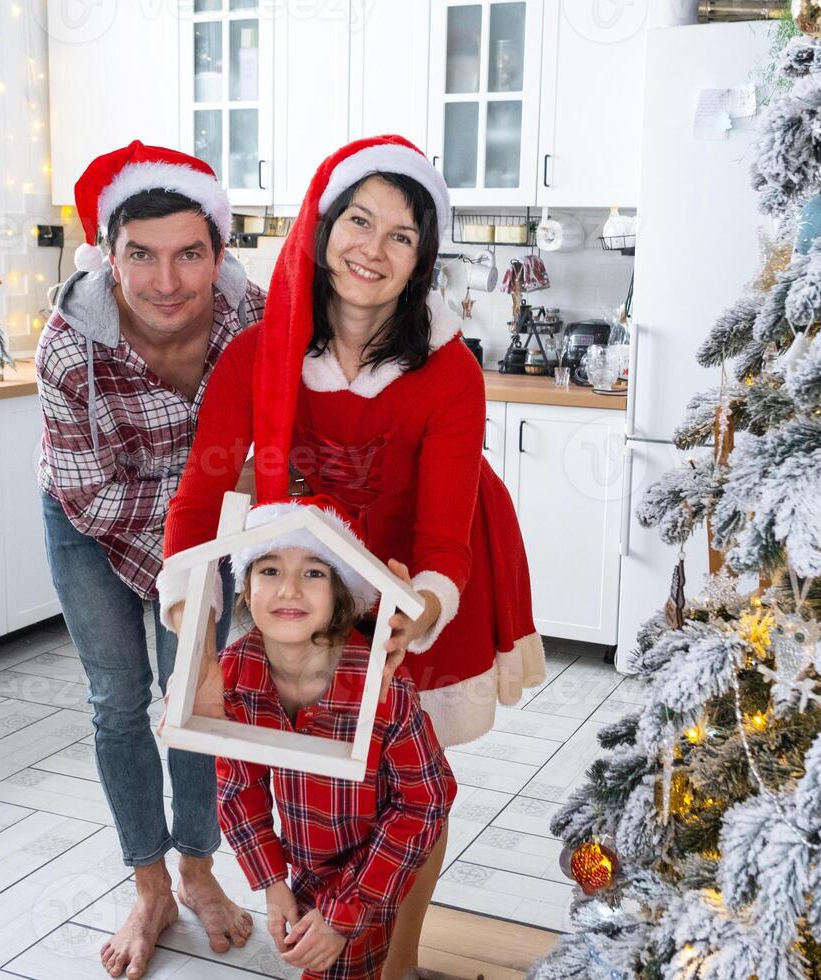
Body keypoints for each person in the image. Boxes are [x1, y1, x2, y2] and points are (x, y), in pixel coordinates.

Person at [159, 135, 544, 979]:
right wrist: (196, 636)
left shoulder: (449, 373)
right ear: (325, 227)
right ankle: (330, 928)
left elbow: (443, 537)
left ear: (421, 259)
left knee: (413, 784)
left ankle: (397, 965)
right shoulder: (253, 355)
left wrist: (423, 608)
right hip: (306, 588)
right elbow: (201, 500)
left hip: (415, 583)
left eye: (401, 235)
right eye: (359, 220)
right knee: (317, 778)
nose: (373, 247)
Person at [36, 141, 266, 980]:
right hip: (88, 521)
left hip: (204, 529)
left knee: (195, 700)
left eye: (188, 255)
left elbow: (268, 453)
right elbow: (93, 497)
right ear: (109, 255)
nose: (167, 282)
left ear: (218, 253)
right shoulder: (67, 347)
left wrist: (213, 532)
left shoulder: (256, 321)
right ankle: (149, 887)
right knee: (118, 704)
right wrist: (205, 508)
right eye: (142, 255)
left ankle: (199, 871)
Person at [211, 495, 456, 980]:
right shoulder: (237, 671)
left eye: (314, 573)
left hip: (370, 874)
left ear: (340, 596)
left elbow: (426, 801)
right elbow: (240, 786)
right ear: (245, 587)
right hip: (298, 866)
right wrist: (272, 883)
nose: (289, 590)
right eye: (270, 570)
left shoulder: (381, 686)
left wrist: (346, 913)